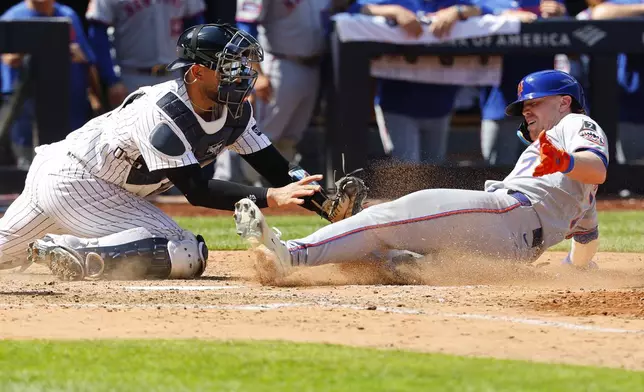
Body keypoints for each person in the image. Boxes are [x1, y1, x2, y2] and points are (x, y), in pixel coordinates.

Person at [0, 24, 362, 281]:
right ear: (198, 71)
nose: (243, 74)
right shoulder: (163, 111)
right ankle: (73, 250)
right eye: (231, 66)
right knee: (184, 250)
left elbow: (275, 168)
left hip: (85, 181)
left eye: (244, 65)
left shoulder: (234, 108)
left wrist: (326, 205)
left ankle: (63, 246)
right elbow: (197, 189)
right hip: (80, 182)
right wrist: (270, 197)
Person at [234, 70, 609, 278]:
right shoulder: (574, 187)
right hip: (512, 249)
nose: (526, 111)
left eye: (535, 104)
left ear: (564, 102)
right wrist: (572, 271)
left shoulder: (574, 122)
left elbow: (598, 167)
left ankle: (291, 255)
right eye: (524, 106)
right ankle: (370, 248)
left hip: (508, 215)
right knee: (400, 260)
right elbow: (587, 239)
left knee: (392, 214)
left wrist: (566, 162)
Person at [1, 0, 101, 170]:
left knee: (71, 164)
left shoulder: (67, 14)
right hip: (26, 106)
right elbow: (9, 59)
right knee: (28, 166)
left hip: (68, 102)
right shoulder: (12, 17)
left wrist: (95, 96)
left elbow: (87, 59)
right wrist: (37, 45)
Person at [476, 0, 567, 166]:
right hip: (500, 103)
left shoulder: (551, 3)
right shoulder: (487, 3)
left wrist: (562, 17)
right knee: (497, 172)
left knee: (541, 172)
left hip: (545, 105)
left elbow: (576, 49)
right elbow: (471, 15)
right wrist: (503, 19)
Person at [86, 0, 207, 109]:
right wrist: (111, 80)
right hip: (132, 77)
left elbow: (196, 28)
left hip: (175, 75)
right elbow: (98, 35)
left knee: (177, 130)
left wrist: (196, 71)